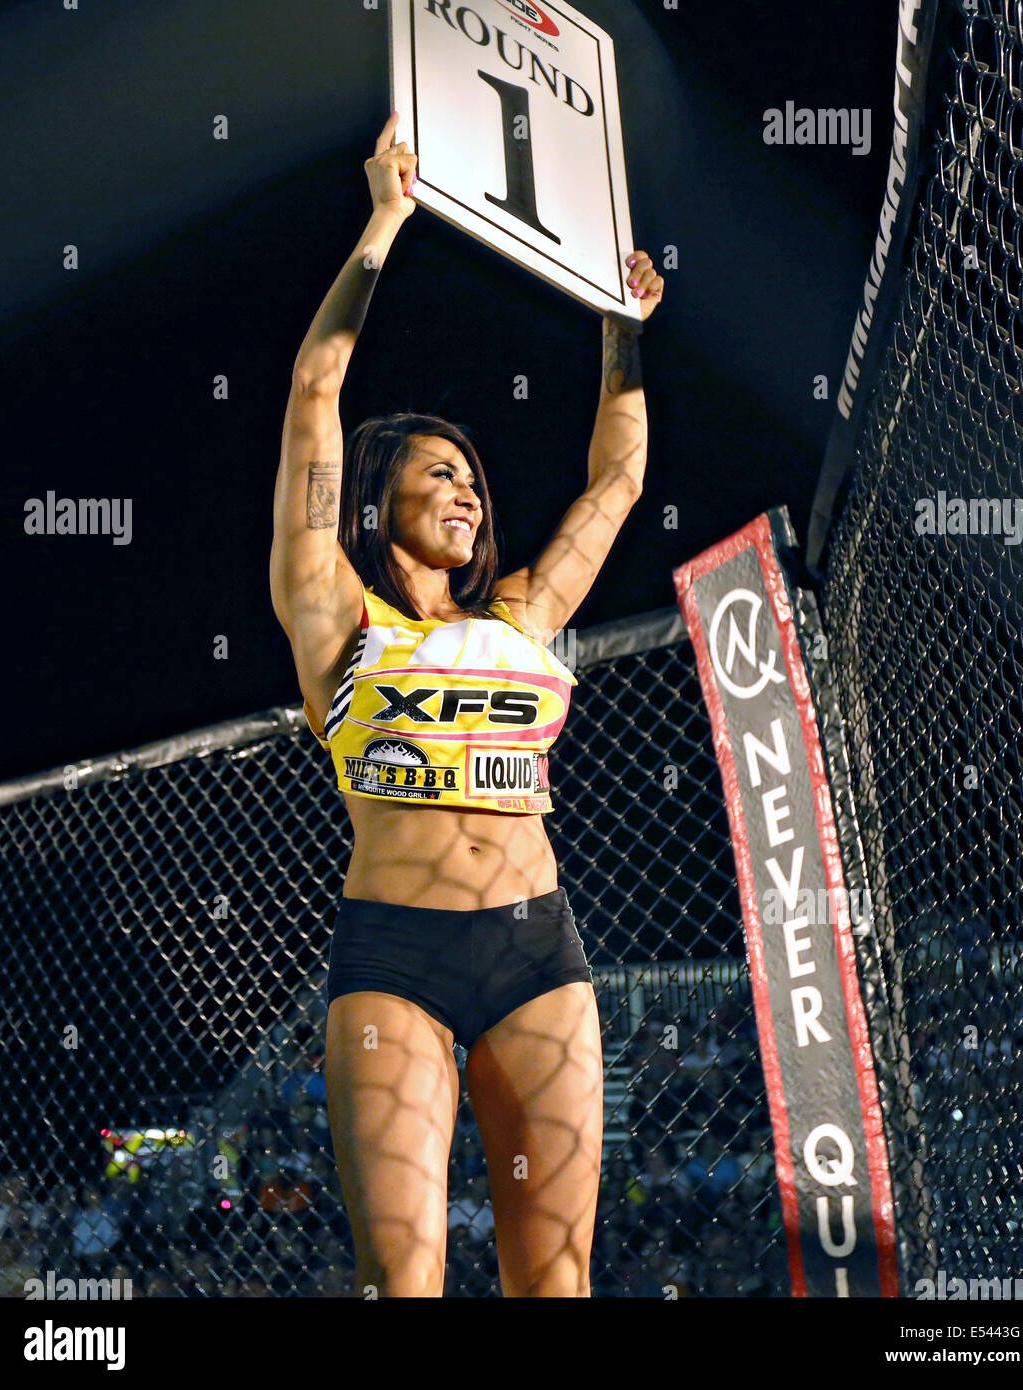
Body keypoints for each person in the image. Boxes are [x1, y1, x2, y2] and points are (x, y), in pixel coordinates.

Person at [270, 111, 664, 1297]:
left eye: (471, 477)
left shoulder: (522, 617)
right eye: (433, 468)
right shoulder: (337, 614)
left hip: (537, 947)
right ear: (375, 493)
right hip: (391, 948)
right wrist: (385, 220)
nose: (462, 487)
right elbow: (312, 389)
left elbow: (621, 474)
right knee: (408, 1279)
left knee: (556, 1275)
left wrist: (618, 321)